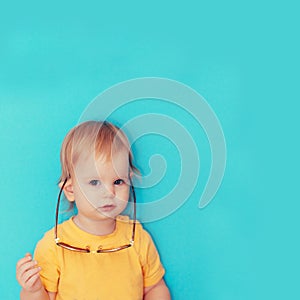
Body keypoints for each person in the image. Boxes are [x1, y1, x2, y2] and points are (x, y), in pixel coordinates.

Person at [16, 121, 171, 300]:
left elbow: (155, 288)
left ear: (129, 181)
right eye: (95, 182)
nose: (109, 193)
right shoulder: (52, 247)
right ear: (70, 190)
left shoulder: (138, 238)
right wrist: (33, 291)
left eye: (118, 182)